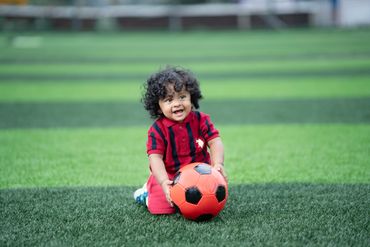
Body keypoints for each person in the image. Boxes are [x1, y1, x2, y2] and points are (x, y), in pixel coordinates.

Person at [134, 66, 226, 215]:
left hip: (201, 173)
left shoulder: (201, 119)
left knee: (210, 203)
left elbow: (215, 141)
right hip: (170, 175)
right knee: (161, 210)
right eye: (169, 100)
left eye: (182, 97)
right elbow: (155, 158)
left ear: (191, 97)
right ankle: (146, 194)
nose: (177, 103)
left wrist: (218, 164)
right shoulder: (157, 130)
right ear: (158, 107)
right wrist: (164, 182)